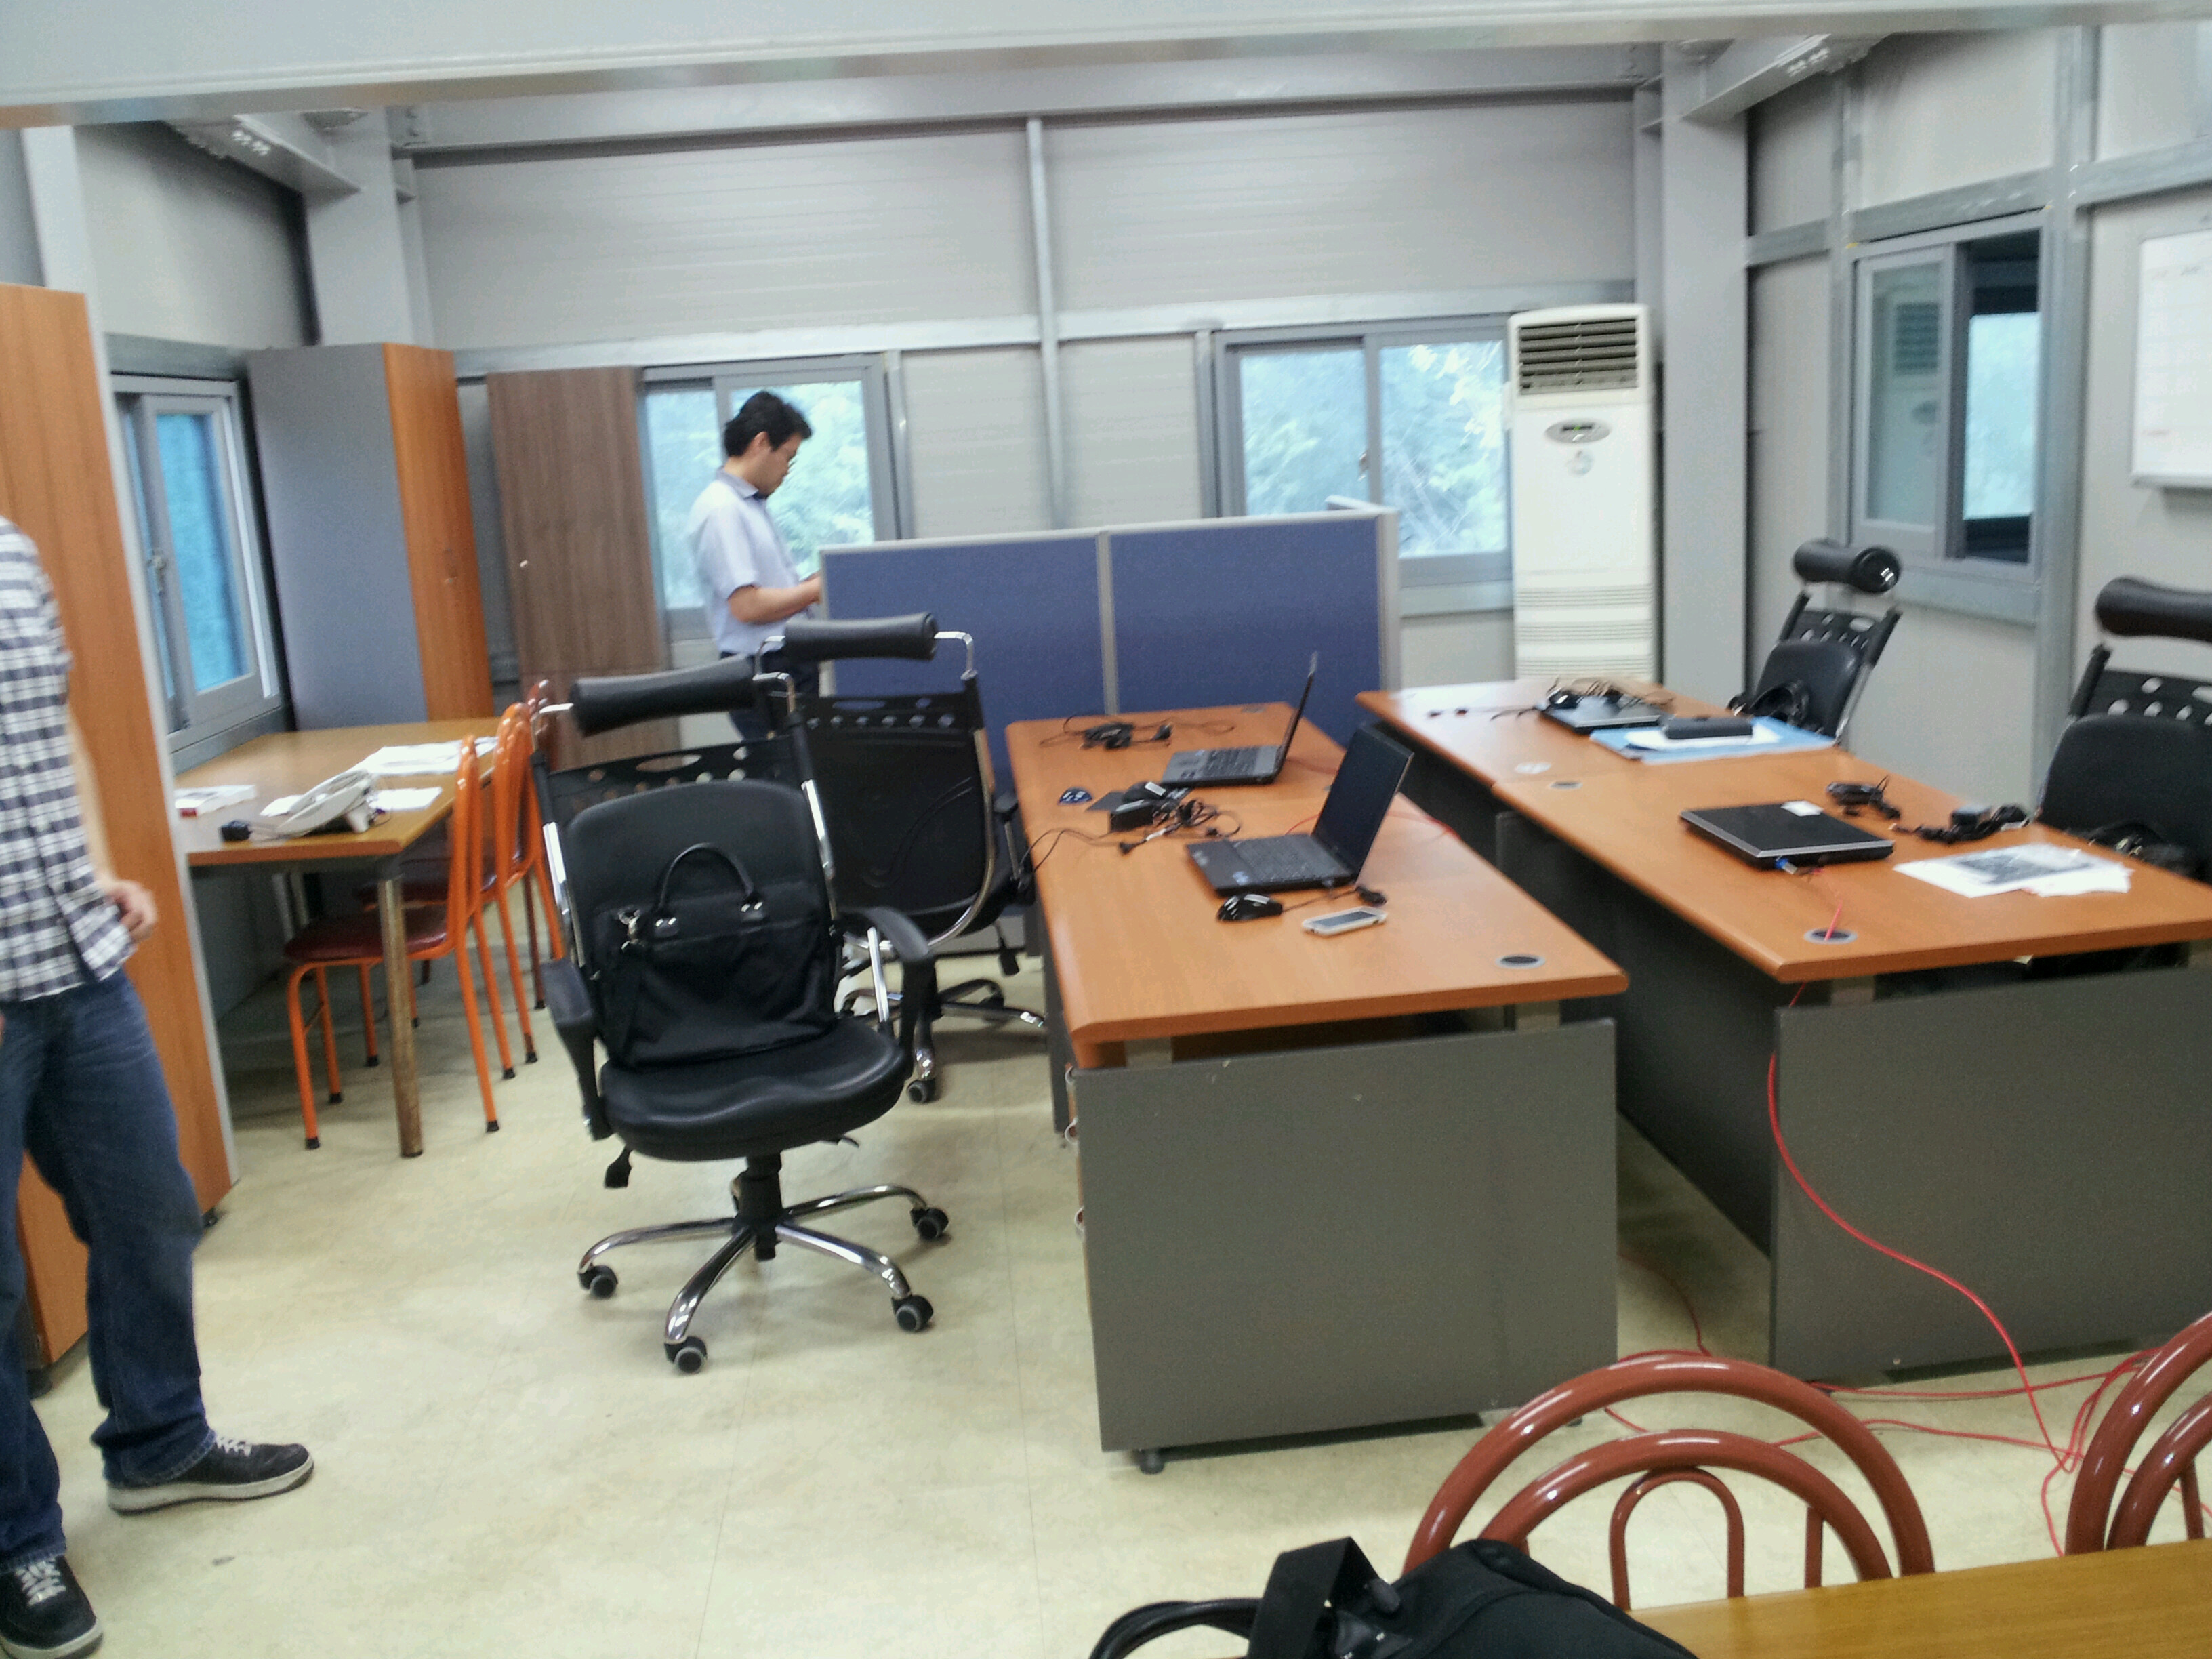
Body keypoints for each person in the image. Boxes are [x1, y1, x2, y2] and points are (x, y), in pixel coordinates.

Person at [0, 517, 311, 1659]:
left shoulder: (14, 552)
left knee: (151, 1209)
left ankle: (159, 1440)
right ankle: (16, 1541)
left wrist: (89, 868)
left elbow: (54, 728)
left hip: (76, 961)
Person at [686, 391, 819, 744]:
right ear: (761, 443)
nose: (787, 470)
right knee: (784, 771)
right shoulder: (722, 509)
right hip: (765, 670)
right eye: (787, 457)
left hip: (784, 665)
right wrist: (814, 591)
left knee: (804, 768)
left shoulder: (750, 505)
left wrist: (808, 586)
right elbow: (747, 606)